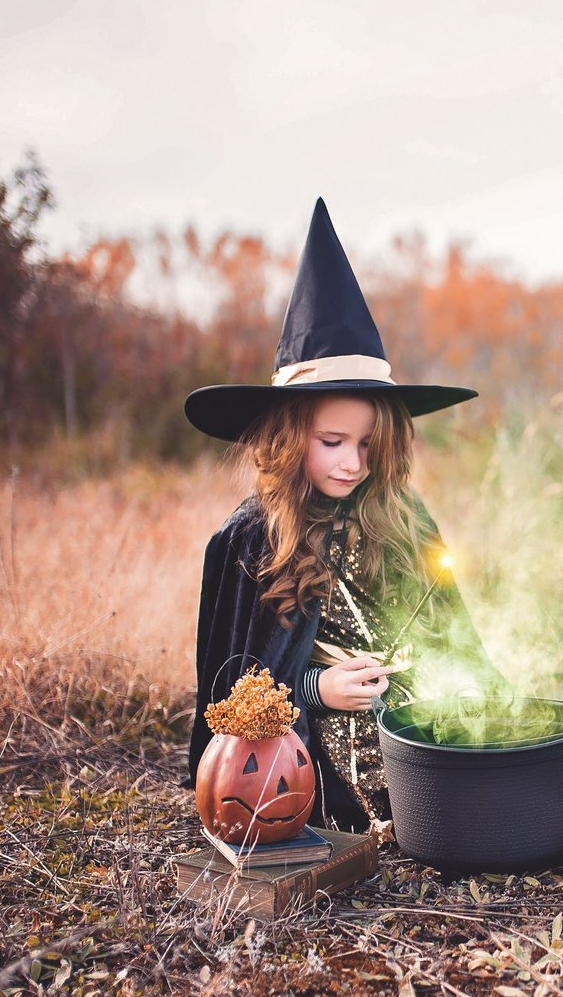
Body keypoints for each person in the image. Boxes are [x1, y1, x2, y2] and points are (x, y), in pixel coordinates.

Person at [183, 199, 509, 830]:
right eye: (331, 442)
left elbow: (452, 634)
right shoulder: (250, 540)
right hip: (309, 755)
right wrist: (317, 691)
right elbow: (230, 699)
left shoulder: (401, 515)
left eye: (367, 445)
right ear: (287, 437)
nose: (352, 464)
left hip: (420, 725)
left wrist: (459, 688)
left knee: (497, 781)